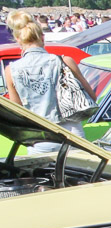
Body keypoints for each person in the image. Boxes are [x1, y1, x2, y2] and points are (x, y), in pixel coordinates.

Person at [2, 10, 96, 150]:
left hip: (39, 137)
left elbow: (18, 109)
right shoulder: (64, 61)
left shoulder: (11, 70)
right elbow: (91, 97)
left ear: (18, 39)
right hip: (72, 134)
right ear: (42, 37)